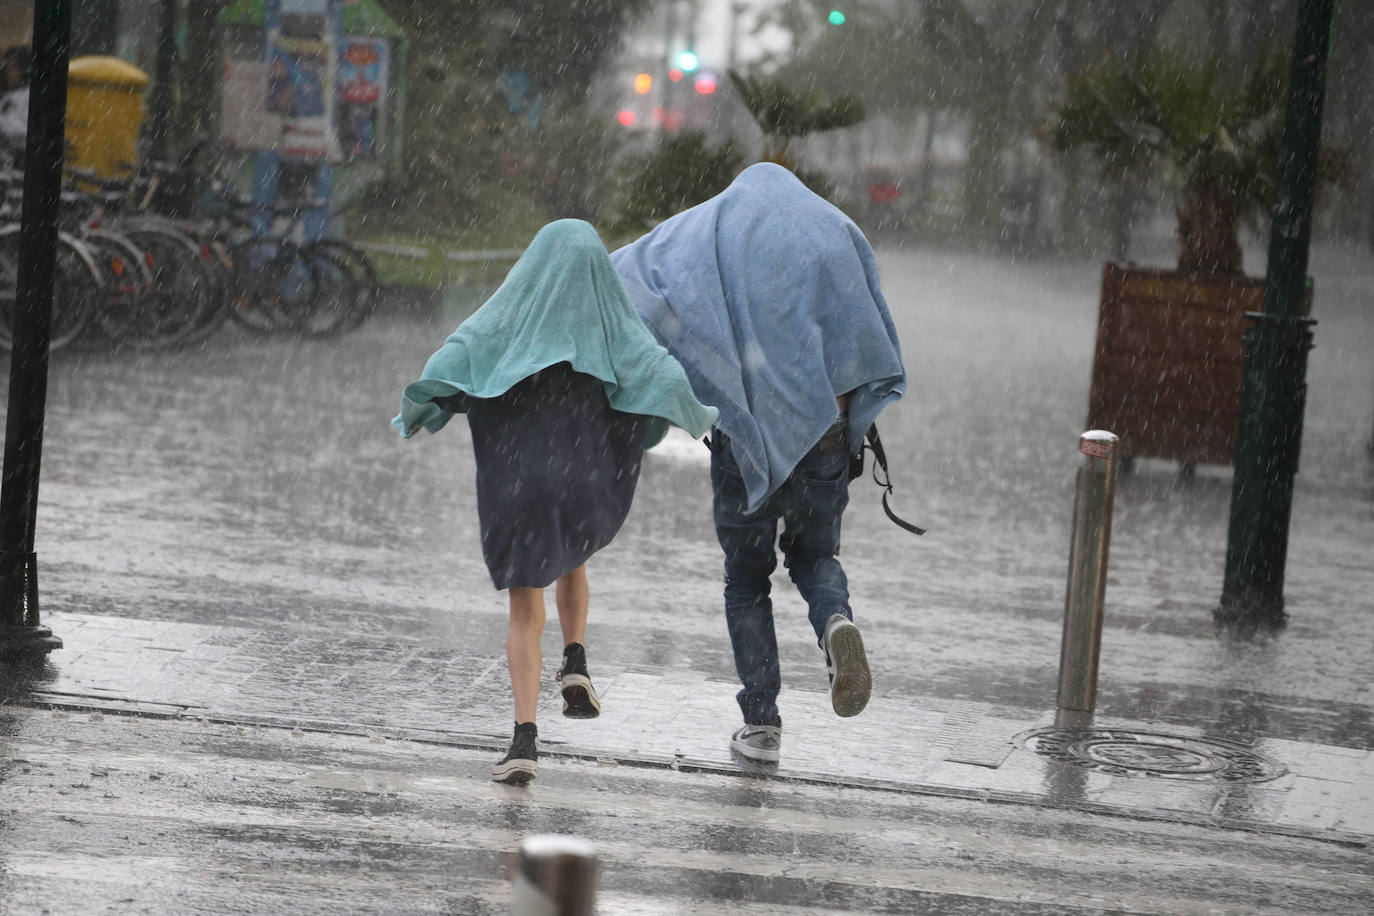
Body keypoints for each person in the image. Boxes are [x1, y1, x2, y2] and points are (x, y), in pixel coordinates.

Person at [393, 219, 717, 784]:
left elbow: (455, 356)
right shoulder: (615, 329)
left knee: (524, 611)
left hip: (521, 483)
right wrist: (701, 417)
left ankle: (524, 739)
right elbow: (661, 374)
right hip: (584, 481)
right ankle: (576, 658)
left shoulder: (507, 321)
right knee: (573, 556)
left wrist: (421, 407)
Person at [611, 163, 906, 764]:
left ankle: (763, 723)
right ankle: (833, 625)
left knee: (747, 579)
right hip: (822, 431)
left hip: (744, 436)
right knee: (815, 556)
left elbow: (653, 278)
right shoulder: (833, 234)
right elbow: (863, 329)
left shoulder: (715, 234)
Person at [0, 46, 31, 162]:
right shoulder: (7, 94)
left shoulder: (29, 96)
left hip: (19, 161)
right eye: (7, 67)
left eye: (13, 67)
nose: (9, 72)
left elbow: (23, 132)